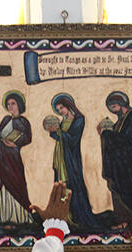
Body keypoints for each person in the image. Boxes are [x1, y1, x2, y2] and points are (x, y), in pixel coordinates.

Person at [46, 93, 99, 230]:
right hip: (61, 157)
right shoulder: (63, 120)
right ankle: (65, 216)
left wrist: (57, 131)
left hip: (71, 158)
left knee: (74, 185)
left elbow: (72, 139)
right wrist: (52, 131)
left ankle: (78, 217)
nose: (60, 111)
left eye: (62, 108)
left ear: (69, 106)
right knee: (62, 186)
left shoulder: (79, 120)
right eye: (58, 110)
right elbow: (60, 138)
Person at [98, 91, 132, 230]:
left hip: (125, 161)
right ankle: (123, 220)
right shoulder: (120, 120)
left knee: (129, 190)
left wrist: (106, 133)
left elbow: (125, 139)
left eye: (114, 107)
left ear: (121, 104)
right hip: (116, 162)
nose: (113, 111)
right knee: (117, 190)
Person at [0, 90, 33, 229]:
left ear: (19, 105)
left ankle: (21, 217)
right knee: (3, 186)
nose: (10, 106)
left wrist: (16, 143)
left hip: (13, 158)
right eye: (8, 104)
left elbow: (27, 138)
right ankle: (7, 218)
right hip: (1, 157)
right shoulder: (6, 120)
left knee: (15, 184)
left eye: (13, 103)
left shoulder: (23, 121)